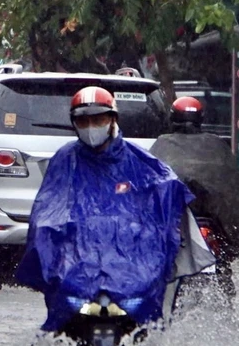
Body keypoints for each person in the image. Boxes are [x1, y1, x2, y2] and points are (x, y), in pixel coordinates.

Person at [16, 87, 214, 332]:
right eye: (83, 121)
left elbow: (166, 197)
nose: (91, 127)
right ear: (74, 123)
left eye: (98, 119)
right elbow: (46, 213)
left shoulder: (141, 162)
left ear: (113, 120)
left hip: (132, 270)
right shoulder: (65, 160)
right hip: (78, 269)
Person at [150, 96, 239, 301]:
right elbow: (236, 189)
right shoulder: (216, 143)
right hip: (211, 217)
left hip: (192, 218)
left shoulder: (162, 143)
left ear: (173, 118)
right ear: (201, 118)